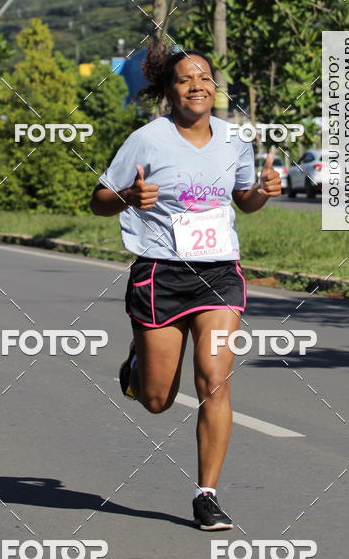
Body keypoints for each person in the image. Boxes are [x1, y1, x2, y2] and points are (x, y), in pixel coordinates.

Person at [90, 44, 281, 531]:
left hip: (218, 275)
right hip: (161, 274)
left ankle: (206, 495)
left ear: (215, 86)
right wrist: (128, 196)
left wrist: (262, 192)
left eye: (205, 77)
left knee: (214, 378)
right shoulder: (146, 140)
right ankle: (138, 364)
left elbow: (243, 200)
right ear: (169, 90)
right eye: (185, 79)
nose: (197, 85)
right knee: (157, 400)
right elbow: (98, 200)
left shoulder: (235, 140)